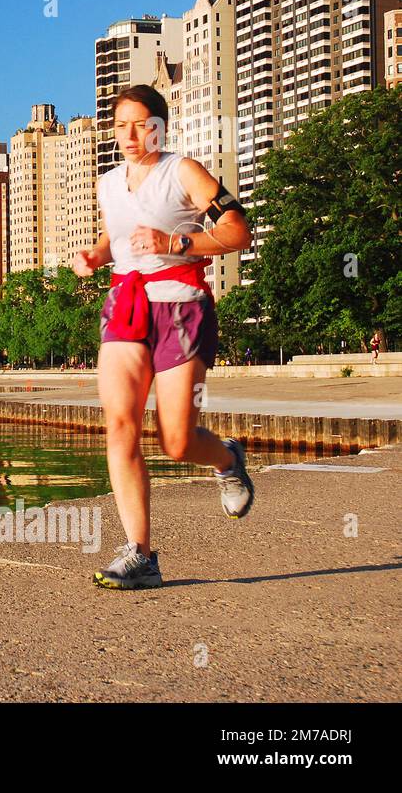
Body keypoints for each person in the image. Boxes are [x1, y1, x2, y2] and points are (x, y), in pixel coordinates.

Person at [73, 84, 256, 591]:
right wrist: (95, 255)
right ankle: (141, 554)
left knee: (175, 441)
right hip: (126, 304)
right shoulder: (108, 182)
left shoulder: (183, 170)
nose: (131, 135)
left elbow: (238, 233)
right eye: (121, 125)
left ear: (160, 126)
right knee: (119, 426)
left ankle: (226, 459)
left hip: (180, 305)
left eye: (141, 124)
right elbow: (118, 237)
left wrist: (176, 241)